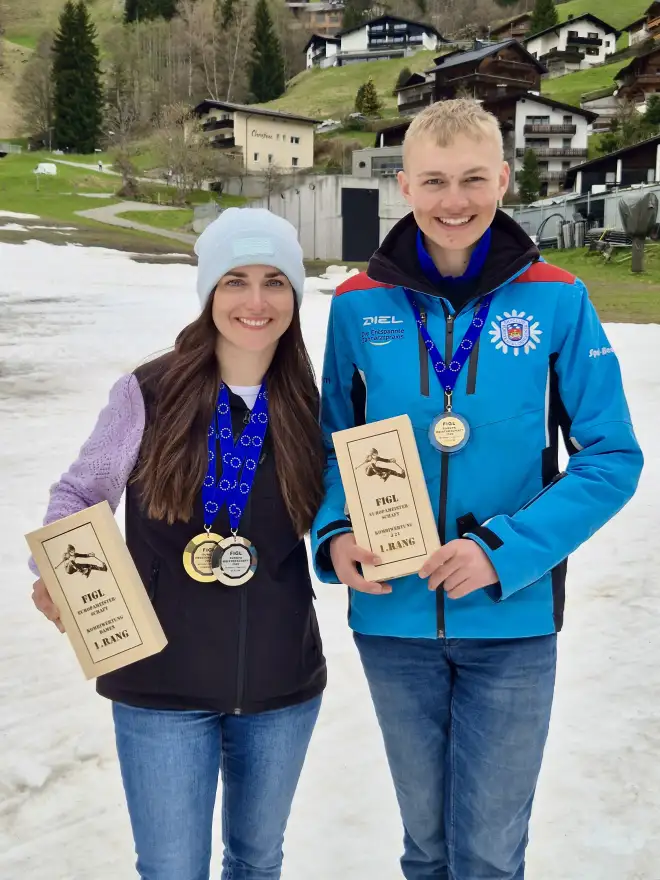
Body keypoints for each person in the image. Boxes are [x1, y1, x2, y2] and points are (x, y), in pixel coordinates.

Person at [312, 99, 643, 880]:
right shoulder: (358, 304)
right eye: (433, 181)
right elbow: (330, 443)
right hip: (392, 621)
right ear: (404, 186)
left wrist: (503, 551)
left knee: (490, 855)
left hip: (513, 621)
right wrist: (334, 535)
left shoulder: (557, 297)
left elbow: (611, 457)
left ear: (503, 177)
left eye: (471, 179)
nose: (453, 201)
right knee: (426, 849)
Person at [30, 207, 327, 880]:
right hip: (160, 685)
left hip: (282, 682)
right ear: (208, 292)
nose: (256, 301)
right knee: (171, 869)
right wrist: (56, 570)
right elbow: (79, 495)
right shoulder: (148, 392)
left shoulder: (314, 402)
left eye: (275, 281)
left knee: (258, 861)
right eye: (236, 281)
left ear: (296, 295)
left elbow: (345, 514)